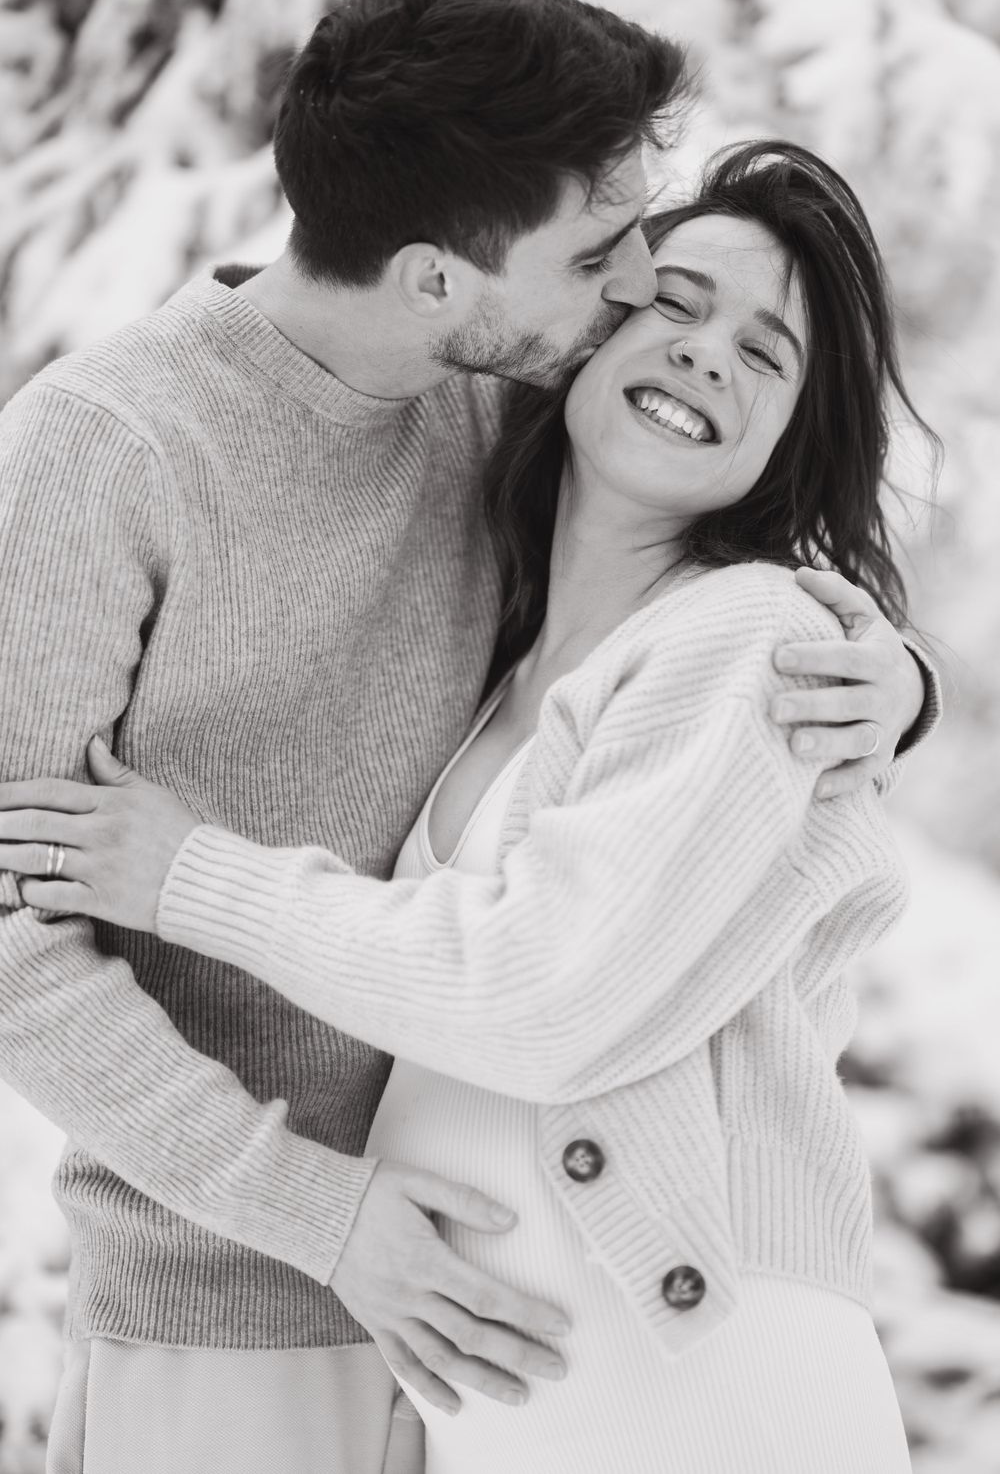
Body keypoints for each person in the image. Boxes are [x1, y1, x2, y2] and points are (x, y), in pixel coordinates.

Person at [0, 141, 939, 1472]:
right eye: (673, 303)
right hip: (506, 1399)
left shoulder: (754, 643)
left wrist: (185, 877)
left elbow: (545, 995)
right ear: (583, 339)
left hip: (694, 1385)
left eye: (767, 354)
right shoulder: (508, 635)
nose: (707, 354)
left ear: (794, 445)